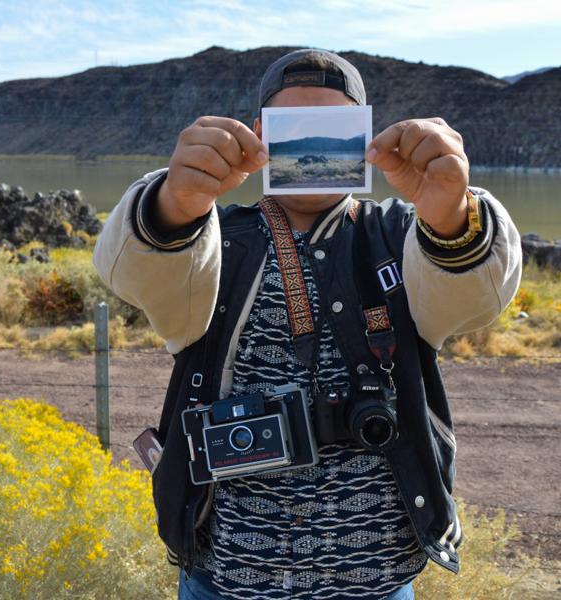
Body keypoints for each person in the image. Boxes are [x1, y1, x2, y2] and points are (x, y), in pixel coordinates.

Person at [93, 48, 522, 600]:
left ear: (366, 140)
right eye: (292, 128)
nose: (313, 144)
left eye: (335, 127)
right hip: (224, 574)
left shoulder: (400, 235)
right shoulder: (210, 236)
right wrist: (175, 202)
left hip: (378, 578)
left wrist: (451, 216)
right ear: (257, 138)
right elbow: (138, 277)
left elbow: (470, 302)